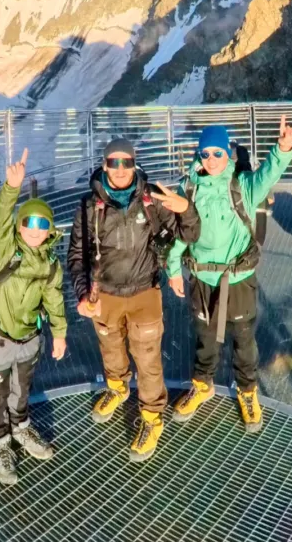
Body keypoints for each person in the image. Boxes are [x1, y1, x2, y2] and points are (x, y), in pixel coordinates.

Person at [67, 137, 200, 462]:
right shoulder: (88, 206)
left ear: (135, 163)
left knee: (148, 359)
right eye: (114, 162)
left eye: (126, 162)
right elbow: (77, 256)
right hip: (105, 294)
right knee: (110, 348)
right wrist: (83, 293)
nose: (120, 169)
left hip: (144, 292)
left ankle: (152, 418)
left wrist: (186, 210)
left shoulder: (152, 199)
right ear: (104, 165)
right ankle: (117, 388)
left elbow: (189, 235)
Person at [167, 115, 292, 433]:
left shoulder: (242, 186)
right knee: (205, 337)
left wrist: (283, 149)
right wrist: (173, 270)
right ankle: (202, 385)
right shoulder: (187, 188)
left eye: (218, 153)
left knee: (243, 339)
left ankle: (247, 390)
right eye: (205, 153)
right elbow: (179, 233)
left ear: (228, 154)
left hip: (237, 279)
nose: (211, 159)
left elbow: (268, 174)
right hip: (201, 279)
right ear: (199, 154)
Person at [0, 148, 67, 486]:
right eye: (28, 221)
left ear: (49, 230)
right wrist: (11, 189)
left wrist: (60, 333)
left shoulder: (50, 263)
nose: (34, 228)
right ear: (19, 226)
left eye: (42, 224)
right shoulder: (6, 250)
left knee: (21, 390)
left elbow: (54, 298)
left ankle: (22, 429)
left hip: (29, 339)